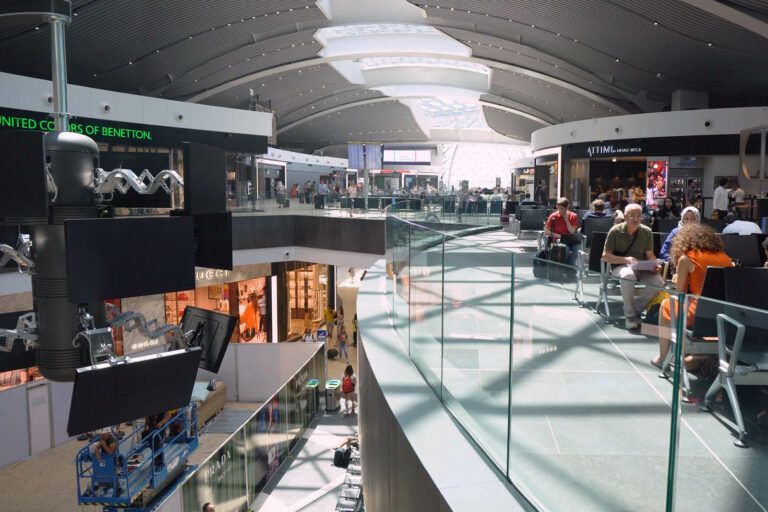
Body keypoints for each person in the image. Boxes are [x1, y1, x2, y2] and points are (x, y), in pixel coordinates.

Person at [651, 224, 732, 369]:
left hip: (697, 313)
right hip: (722, 316)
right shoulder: (726, 259)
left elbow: (681, 293)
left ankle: (662, 357)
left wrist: (677, 280)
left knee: (666, 305)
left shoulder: (686, 259)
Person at [602, 203, 663, 330]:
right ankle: (630, 315)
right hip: (621, 267)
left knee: (658, 281)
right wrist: (626, 259)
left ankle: (635, 310)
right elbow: (606, 256)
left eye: (638, 216)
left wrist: (654, 264)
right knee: (628, 274)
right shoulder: (615, 231)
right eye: (632, 215)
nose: (635, 219)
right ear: (625, 216)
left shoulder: (646, 231)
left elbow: (650, 254)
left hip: (641, 267)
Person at [544, 197, 580, 267]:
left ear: (567, 208)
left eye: (563, 209)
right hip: (558, 240)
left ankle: (570, 267)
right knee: (565, 248)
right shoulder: (553, 216)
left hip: (571, 240)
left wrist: (566, 220)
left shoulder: (573, 216)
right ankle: (566, 267)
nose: (561, 211)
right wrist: (559, 236)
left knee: (578, 248)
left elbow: (572, 232)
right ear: (557, 207)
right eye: (560, 209)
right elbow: (547, 232)